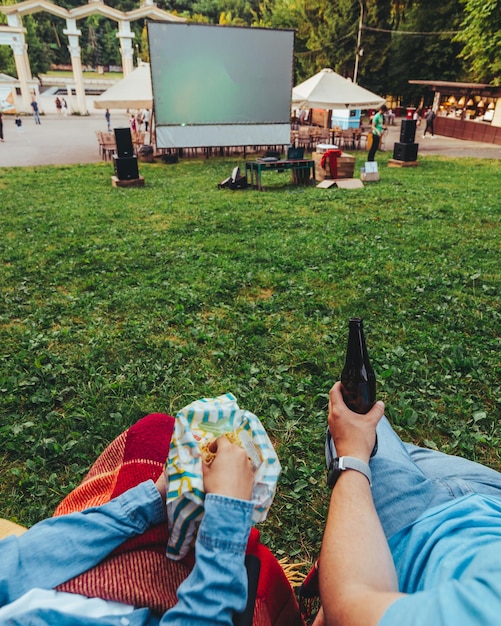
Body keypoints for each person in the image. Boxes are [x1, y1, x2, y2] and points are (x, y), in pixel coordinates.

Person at [0, 436, 256, 625]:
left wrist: (154, 496)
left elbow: (23, 558)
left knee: (153, 430)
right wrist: (228, 513)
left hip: (67, 582)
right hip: (153, 611)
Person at [313, 381, 501, 626]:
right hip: (491, 501)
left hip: (414, 530)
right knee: (377, 438)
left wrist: (352, 457)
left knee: (357, 420)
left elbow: (348, 607)